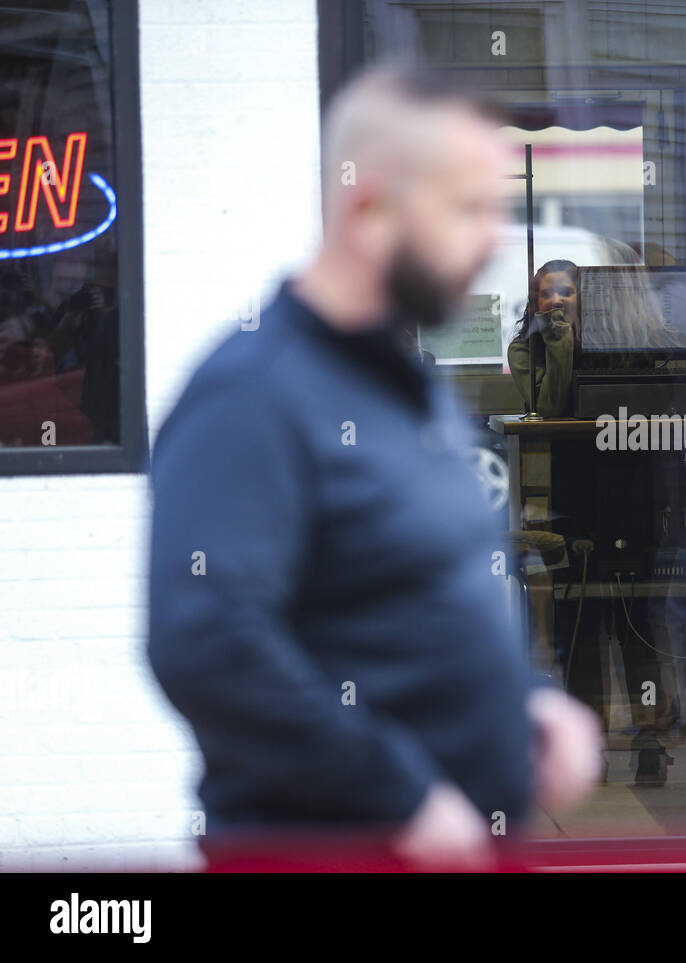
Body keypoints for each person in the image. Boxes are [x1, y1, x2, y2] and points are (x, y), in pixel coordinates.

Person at [147, 62, 602, 870]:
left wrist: (531, 704)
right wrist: (398, 795)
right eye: (467, 208)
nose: (495, 237)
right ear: (366, 207)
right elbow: (205, 639)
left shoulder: (410, 385)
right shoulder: (250, 394)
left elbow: (436, 587)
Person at [507, 259, 580, 417]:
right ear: (536, 303)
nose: (556, 300)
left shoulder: (599, 342)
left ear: (581, 299)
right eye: (546, 294)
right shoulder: (523, 349)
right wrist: (559, 338)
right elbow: (548, 410)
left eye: (566, 293)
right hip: (549, 441)